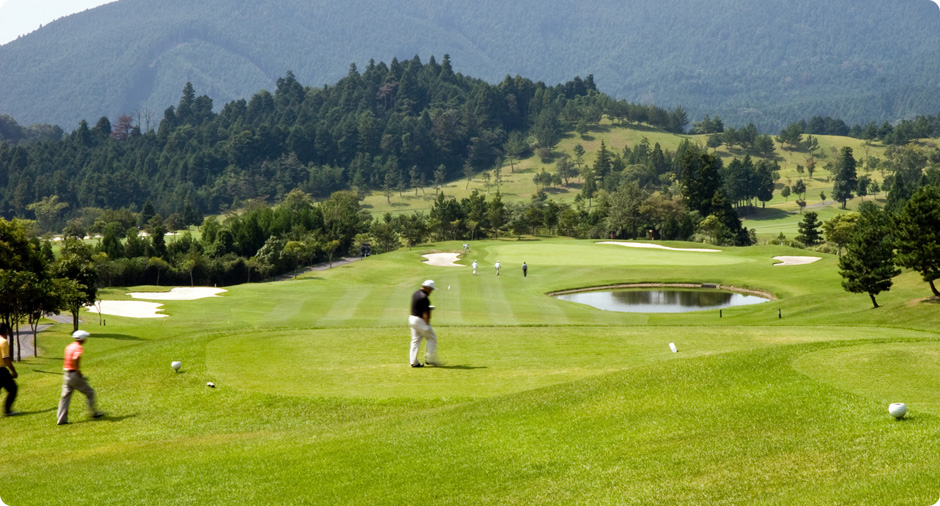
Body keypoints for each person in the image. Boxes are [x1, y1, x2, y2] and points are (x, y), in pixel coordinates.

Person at [57, 330, 104, 425]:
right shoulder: (78, 348)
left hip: (67, 374)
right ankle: (94, 413)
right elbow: (75, 358)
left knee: (65, 397)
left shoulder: (69, 346)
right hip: (74, 374)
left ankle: (61, 420)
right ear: (83, 339)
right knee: (90, 393)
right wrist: (78, 370)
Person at [408, 280, 439, 367]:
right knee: (432, 338)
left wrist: (428, 308)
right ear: (427, 288)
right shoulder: (424, 297)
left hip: (411, 319)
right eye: (431, 289)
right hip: (419, 320)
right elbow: (425, 314)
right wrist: (427, 324)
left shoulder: (416, 293)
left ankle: (414, 362)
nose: (431, 291)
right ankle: (430, 359)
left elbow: (419, 306)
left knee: (415, 341)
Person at [0, 323, 18, 417]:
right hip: (1, 371)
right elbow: (6, 358)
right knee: (13, 389)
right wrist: (13, 370)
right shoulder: (4, 342)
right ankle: (7, 411)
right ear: (6, 331)